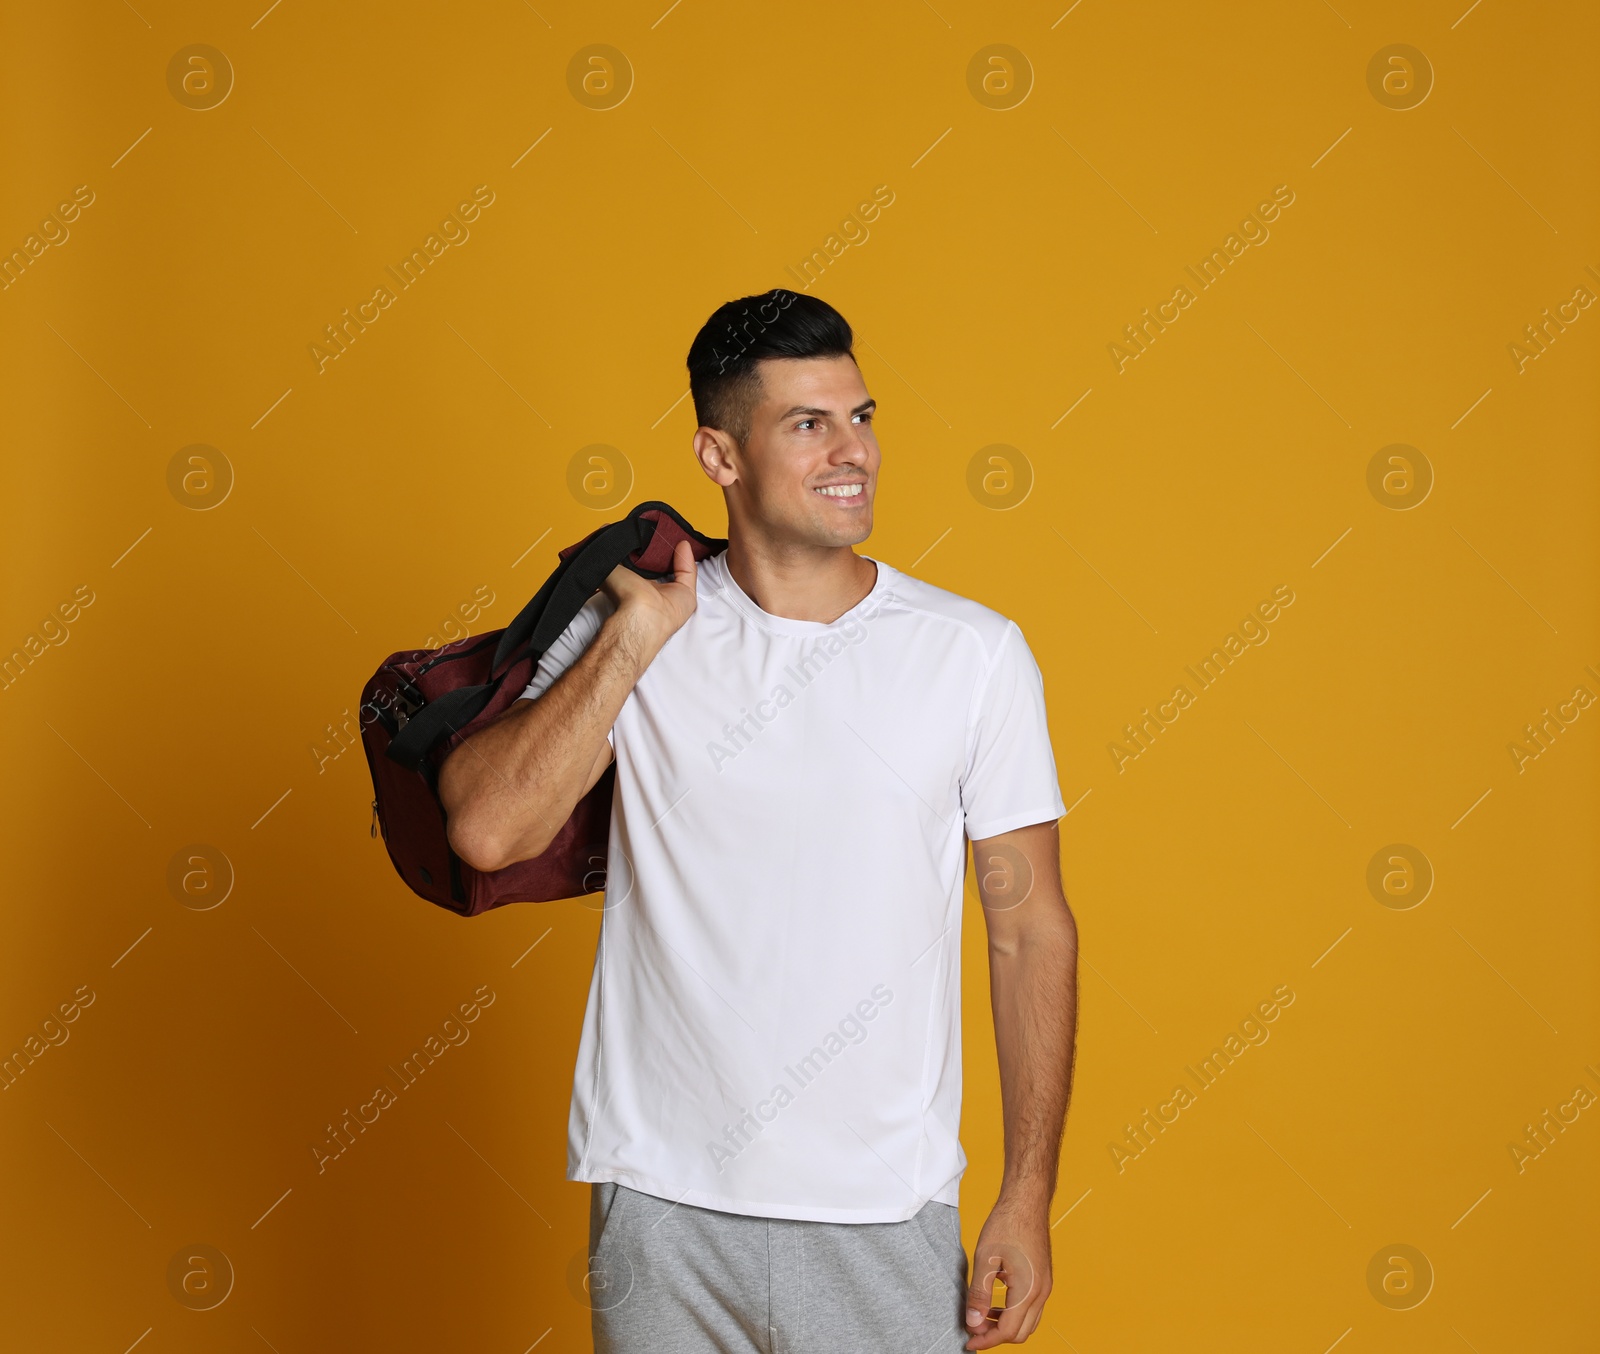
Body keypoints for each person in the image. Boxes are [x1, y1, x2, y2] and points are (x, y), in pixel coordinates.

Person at [439, 289, 1079, 1352]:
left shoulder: (969, 653)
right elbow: (486, 831)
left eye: (862, 416)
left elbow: (1029, 928)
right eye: (808, 423)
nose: (853, 452)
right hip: (660, 1207)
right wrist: (634, 645)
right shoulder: (637, 626)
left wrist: (1027, 1188)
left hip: (881, 1209)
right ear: (720, 455)